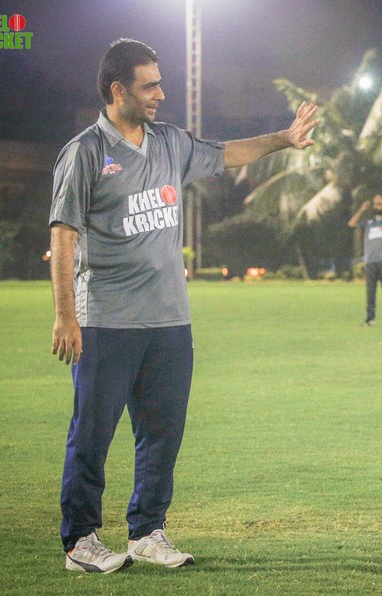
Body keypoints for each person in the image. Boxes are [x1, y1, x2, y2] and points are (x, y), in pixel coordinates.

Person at [49, 39, 318, 574]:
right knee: (93, 435)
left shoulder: (170, 142)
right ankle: (80, 541)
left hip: (170, 320)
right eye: (149, 85)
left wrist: (284, 139)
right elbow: (63, 234)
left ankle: (147, 531)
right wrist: (65, 315)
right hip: (106, 319)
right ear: (117, 89)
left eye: (160, 83)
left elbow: (227, 152)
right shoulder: (85, 152)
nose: (160, 94)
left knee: (162, 434)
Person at [347, 193, 382, 327]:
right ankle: (370, 319)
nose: (378, 206)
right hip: (370, 261)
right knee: (370, 292)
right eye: (376, 204)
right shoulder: (369, 222)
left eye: (380, 204)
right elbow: (351, 223)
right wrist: (362, 209)